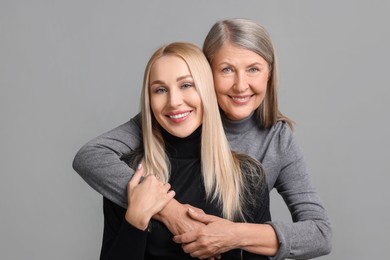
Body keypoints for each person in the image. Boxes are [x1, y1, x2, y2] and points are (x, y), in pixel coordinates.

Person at [73, 18, 332, 259]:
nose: (240, 85)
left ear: (269, 74)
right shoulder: (173, 116)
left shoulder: (262, 158)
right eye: (227, 69)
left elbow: (320, 233)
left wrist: (233, 234)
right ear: (206, 74)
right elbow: (91, 156)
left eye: (253, 69)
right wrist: (167, 210)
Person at [99, 42, 270, 259]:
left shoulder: (248, 175)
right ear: (149, 100)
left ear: (206, 91)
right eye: (160, 90)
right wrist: (136, 220)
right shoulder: (131, 174)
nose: (174, 102)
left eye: (186, 85)